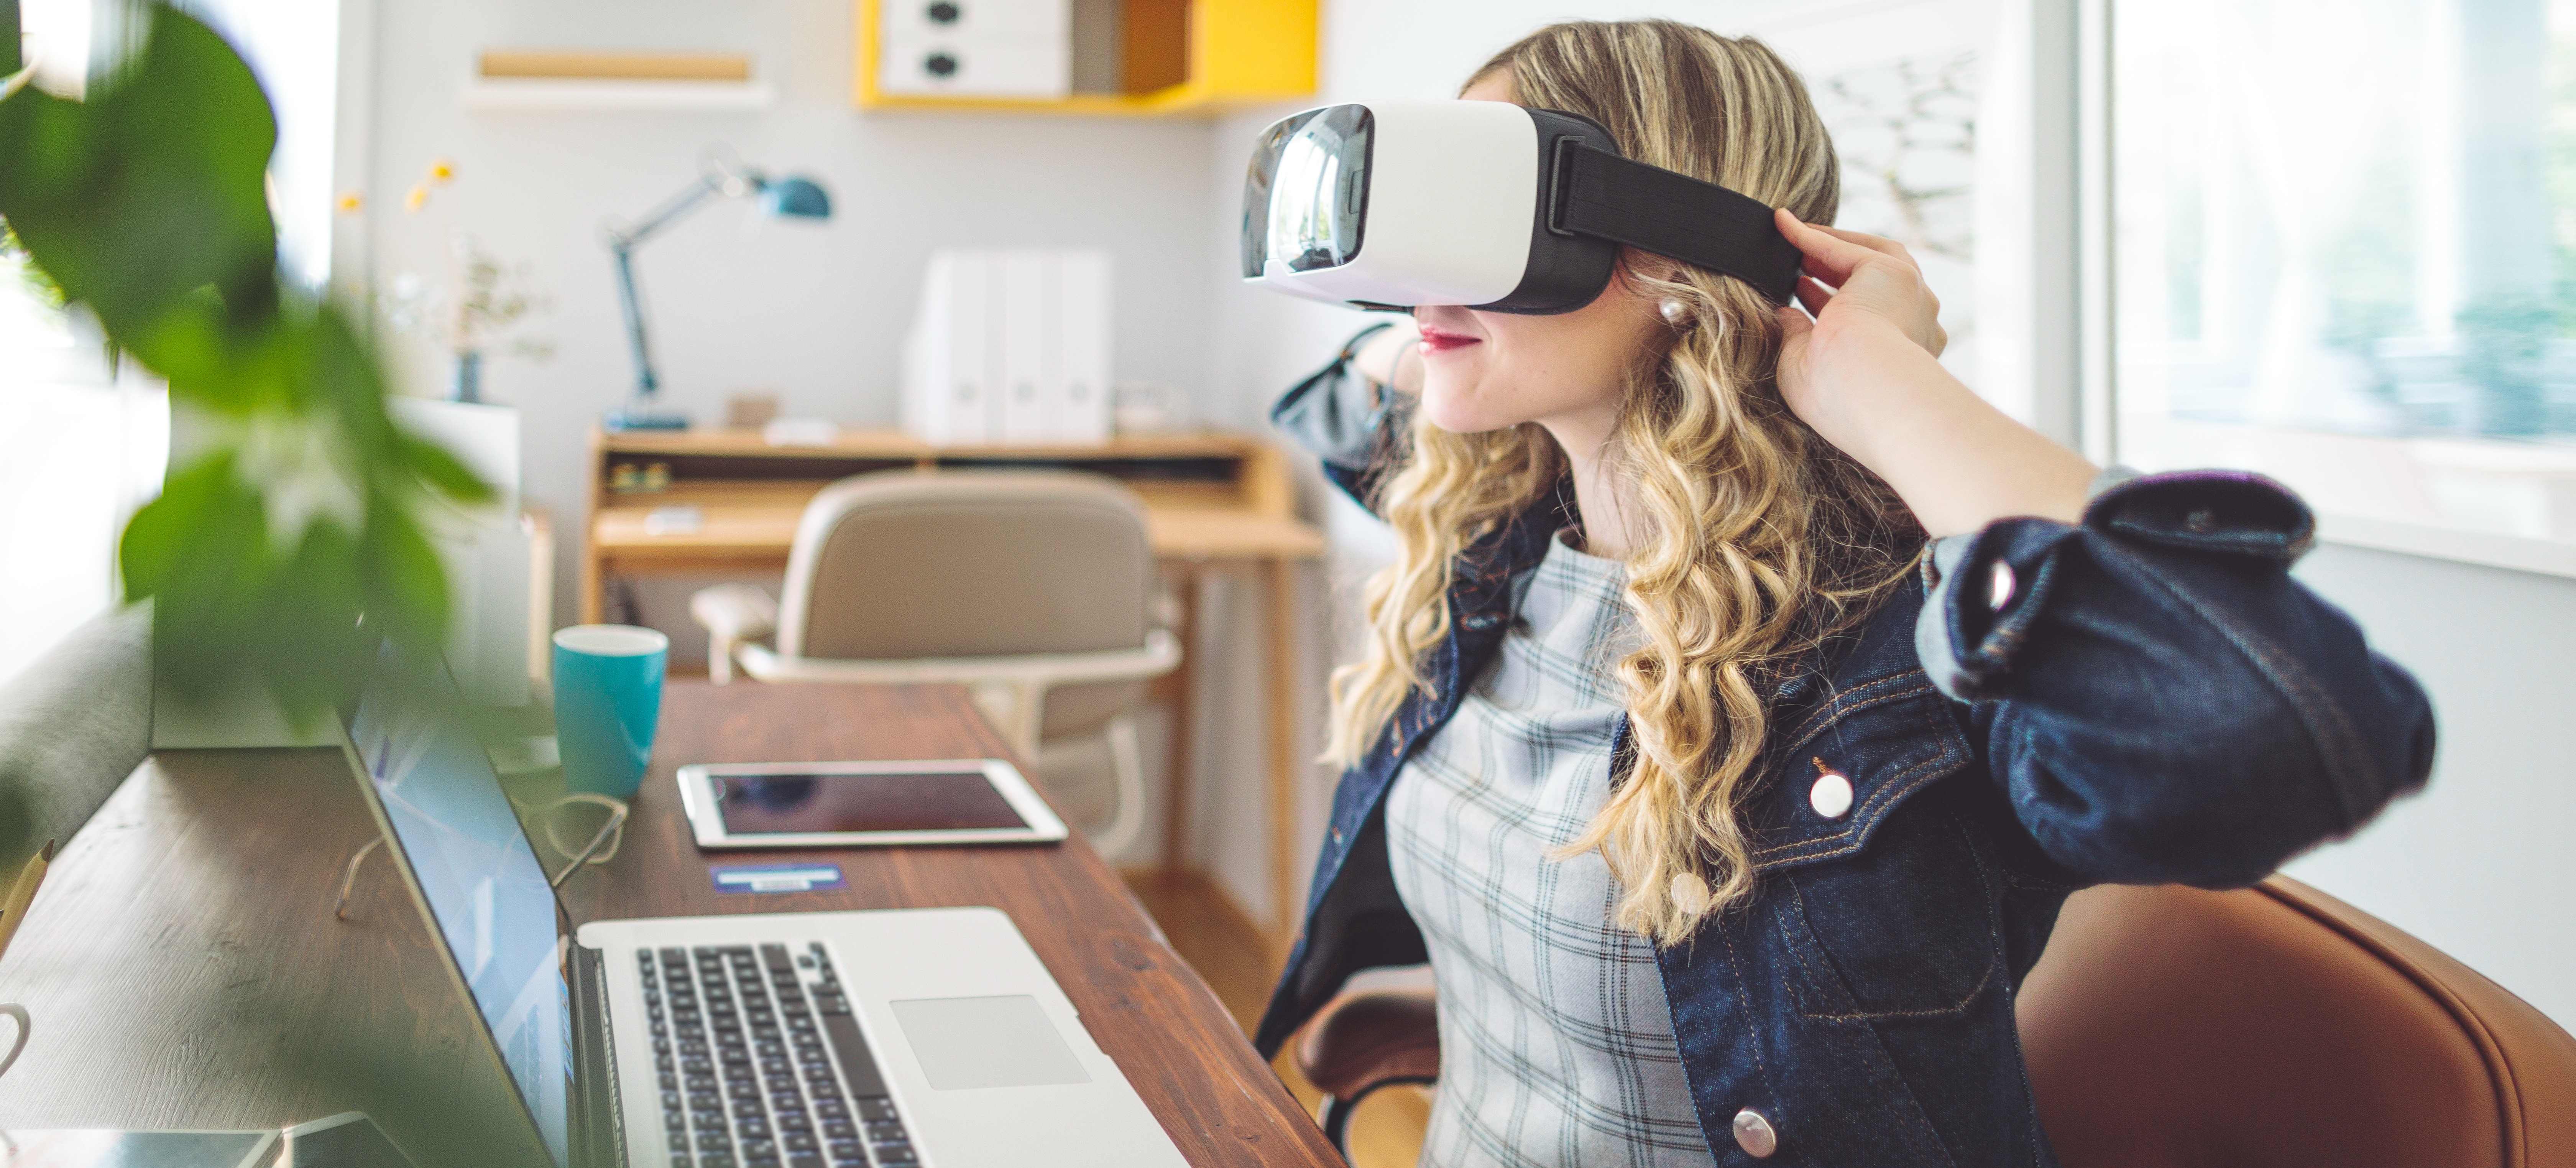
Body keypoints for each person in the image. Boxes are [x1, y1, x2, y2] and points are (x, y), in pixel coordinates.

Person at [1251, 18, 2435, 1167]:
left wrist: (1878, 379)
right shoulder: (1492, 535)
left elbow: (2264, 729)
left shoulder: (1895, 641)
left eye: (1477, 217)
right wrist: (1431, 308)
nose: (1419, 285)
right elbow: (1325, 400)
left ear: (1675, 237)